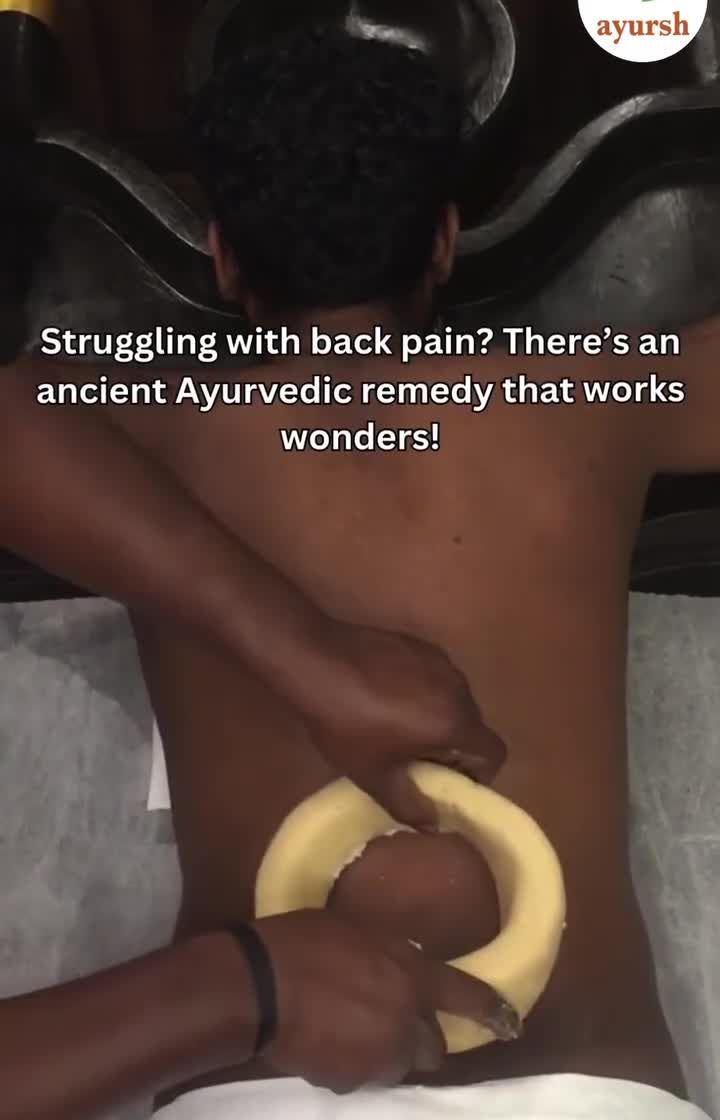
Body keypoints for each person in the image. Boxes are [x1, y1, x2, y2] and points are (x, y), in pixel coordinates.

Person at [3, 25, 718, 1120]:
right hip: (587, 1089)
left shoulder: (122, 428)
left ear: (222, 256)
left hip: (253, 1082)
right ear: (444, 242)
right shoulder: (593, 399)